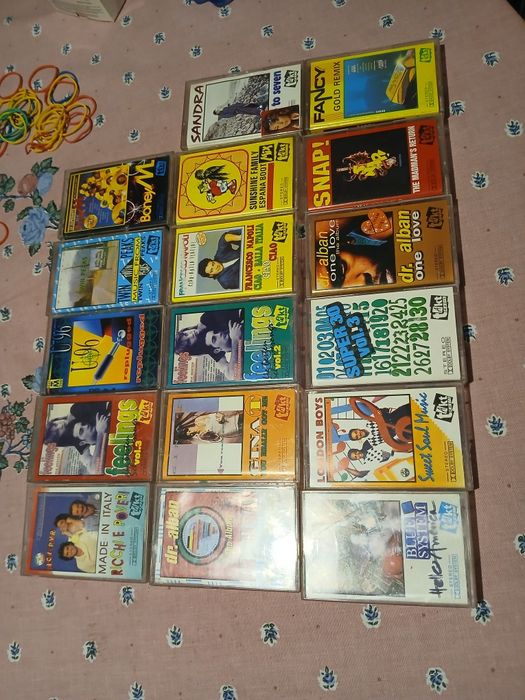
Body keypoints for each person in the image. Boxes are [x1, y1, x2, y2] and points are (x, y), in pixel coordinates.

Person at [174, 309, 244, 380]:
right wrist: (235, 341)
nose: (191, 334)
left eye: (186, 334)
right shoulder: (211, 350)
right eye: (189, 341)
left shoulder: (206, 319)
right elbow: (233, 376)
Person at [43, 402, 110, 474]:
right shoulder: (80, 444)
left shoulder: (76, 410)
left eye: (55, 424)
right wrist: (100, 434)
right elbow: (95, 470)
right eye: (57, 432)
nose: (60, 425)